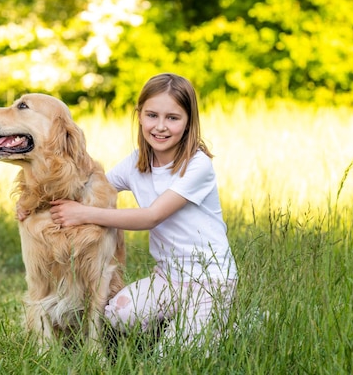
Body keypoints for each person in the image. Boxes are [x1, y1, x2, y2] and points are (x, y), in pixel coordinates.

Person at [46, 73, 237, 351]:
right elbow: (91, 190)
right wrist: (35, 203)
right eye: (152, 115)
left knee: (173, 358)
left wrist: (84, 214)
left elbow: (152, 216)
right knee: (117, 316)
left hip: (212, 280)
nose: (160, 126)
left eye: (173, 118)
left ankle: (224, 324)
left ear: (189, 122)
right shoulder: (135, 162)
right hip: (168, 278)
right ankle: (179, 323)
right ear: (140, 116)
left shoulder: (198, 165)